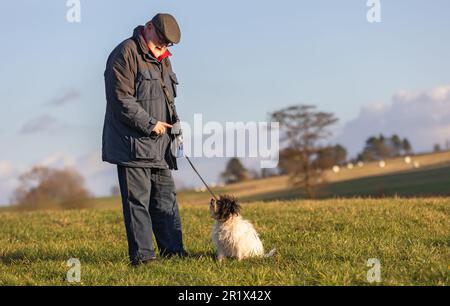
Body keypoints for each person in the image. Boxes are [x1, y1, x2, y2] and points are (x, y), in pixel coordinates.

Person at [102, 13, 187, 265]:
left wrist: (175, 129)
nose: (162, 48)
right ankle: (144, 258)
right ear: (148, 28)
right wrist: (151, 124)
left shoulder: (163, 60)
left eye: (167, 45)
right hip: (132, 146)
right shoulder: (124, 54)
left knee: (165, 200)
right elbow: (120, 100)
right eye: (160, 41)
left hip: (160, 147)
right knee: (137, 203)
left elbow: (167, 99)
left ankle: (174, 254)